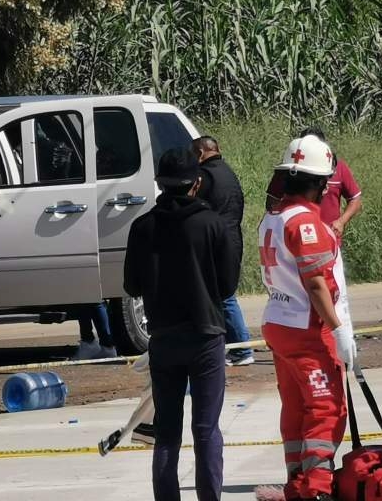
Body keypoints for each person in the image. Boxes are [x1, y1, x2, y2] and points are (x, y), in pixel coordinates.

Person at [124, 147, 238, 501]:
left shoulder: (142, 227)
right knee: (206, 431)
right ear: (196, 183)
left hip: (164, 338)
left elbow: (132, 286)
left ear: (159, 184)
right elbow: (228, 285)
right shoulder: (212, 225)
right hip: (205, 336)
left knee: (167, 433)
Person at [259, 134, 357, 501]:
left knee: (297, 406)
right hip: (306, 328)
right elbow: (316, 285)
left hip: (279, 322)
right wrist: (339, 328)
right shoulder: (306, 224)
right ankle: (316, 489)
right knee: (326, 406)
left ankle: (297, 483)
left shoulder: (273, 218)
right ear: (320, 183)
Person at [193, 135, 252, 367]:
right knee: (225, 292)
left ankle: (241, 348)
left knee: (223, 296)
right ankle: (237, 347)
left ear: (200, 153)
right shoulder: (228, 172)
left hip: (217, 242)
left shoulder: (205, 176)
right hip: (233, 238)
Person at [266, 127, 363, 242]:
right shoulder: (287, 171)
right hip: (294, 236)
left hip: (329, 237)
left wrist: (341, 222)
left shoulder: (339, 167)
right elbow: (272, 202)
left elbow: (355, 200)